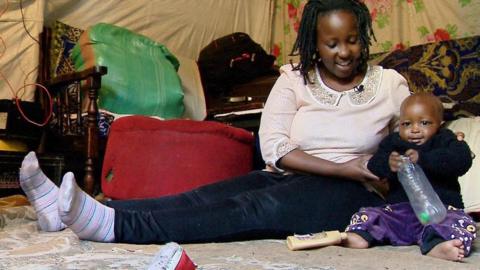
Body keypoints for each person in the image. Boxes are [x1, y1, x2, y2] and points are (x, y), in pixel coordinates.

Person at [19, 0, 411, 246]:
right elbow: (274, 148)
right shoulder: (294, 79)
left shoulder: (390, 85)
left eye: (353, 40)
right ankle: (75, 211)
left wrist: (401, 158)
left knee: (250, 208)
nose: (345, 52)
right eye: (332, 43)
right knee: (202, 196)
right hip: (290, 174)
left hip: (350, 193)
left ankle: (116, 226)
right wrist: (341, 164)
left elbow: (415, 138)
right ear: (315, 43)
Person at [328, 93, 476, 261]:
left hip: (442, 212)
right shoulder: (394, 142)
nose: (414, 129)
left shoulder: (445, 139)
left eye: (424, 123)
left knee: (460, 223)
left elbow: (461, 160)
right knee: (372, 214)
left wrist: (423, 159)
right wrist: (388, 164)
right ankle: (361, 235)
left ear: (440, 124)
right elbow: (374, 165)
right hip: (401, 212)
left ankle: (437, 244)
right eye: (407, 124)